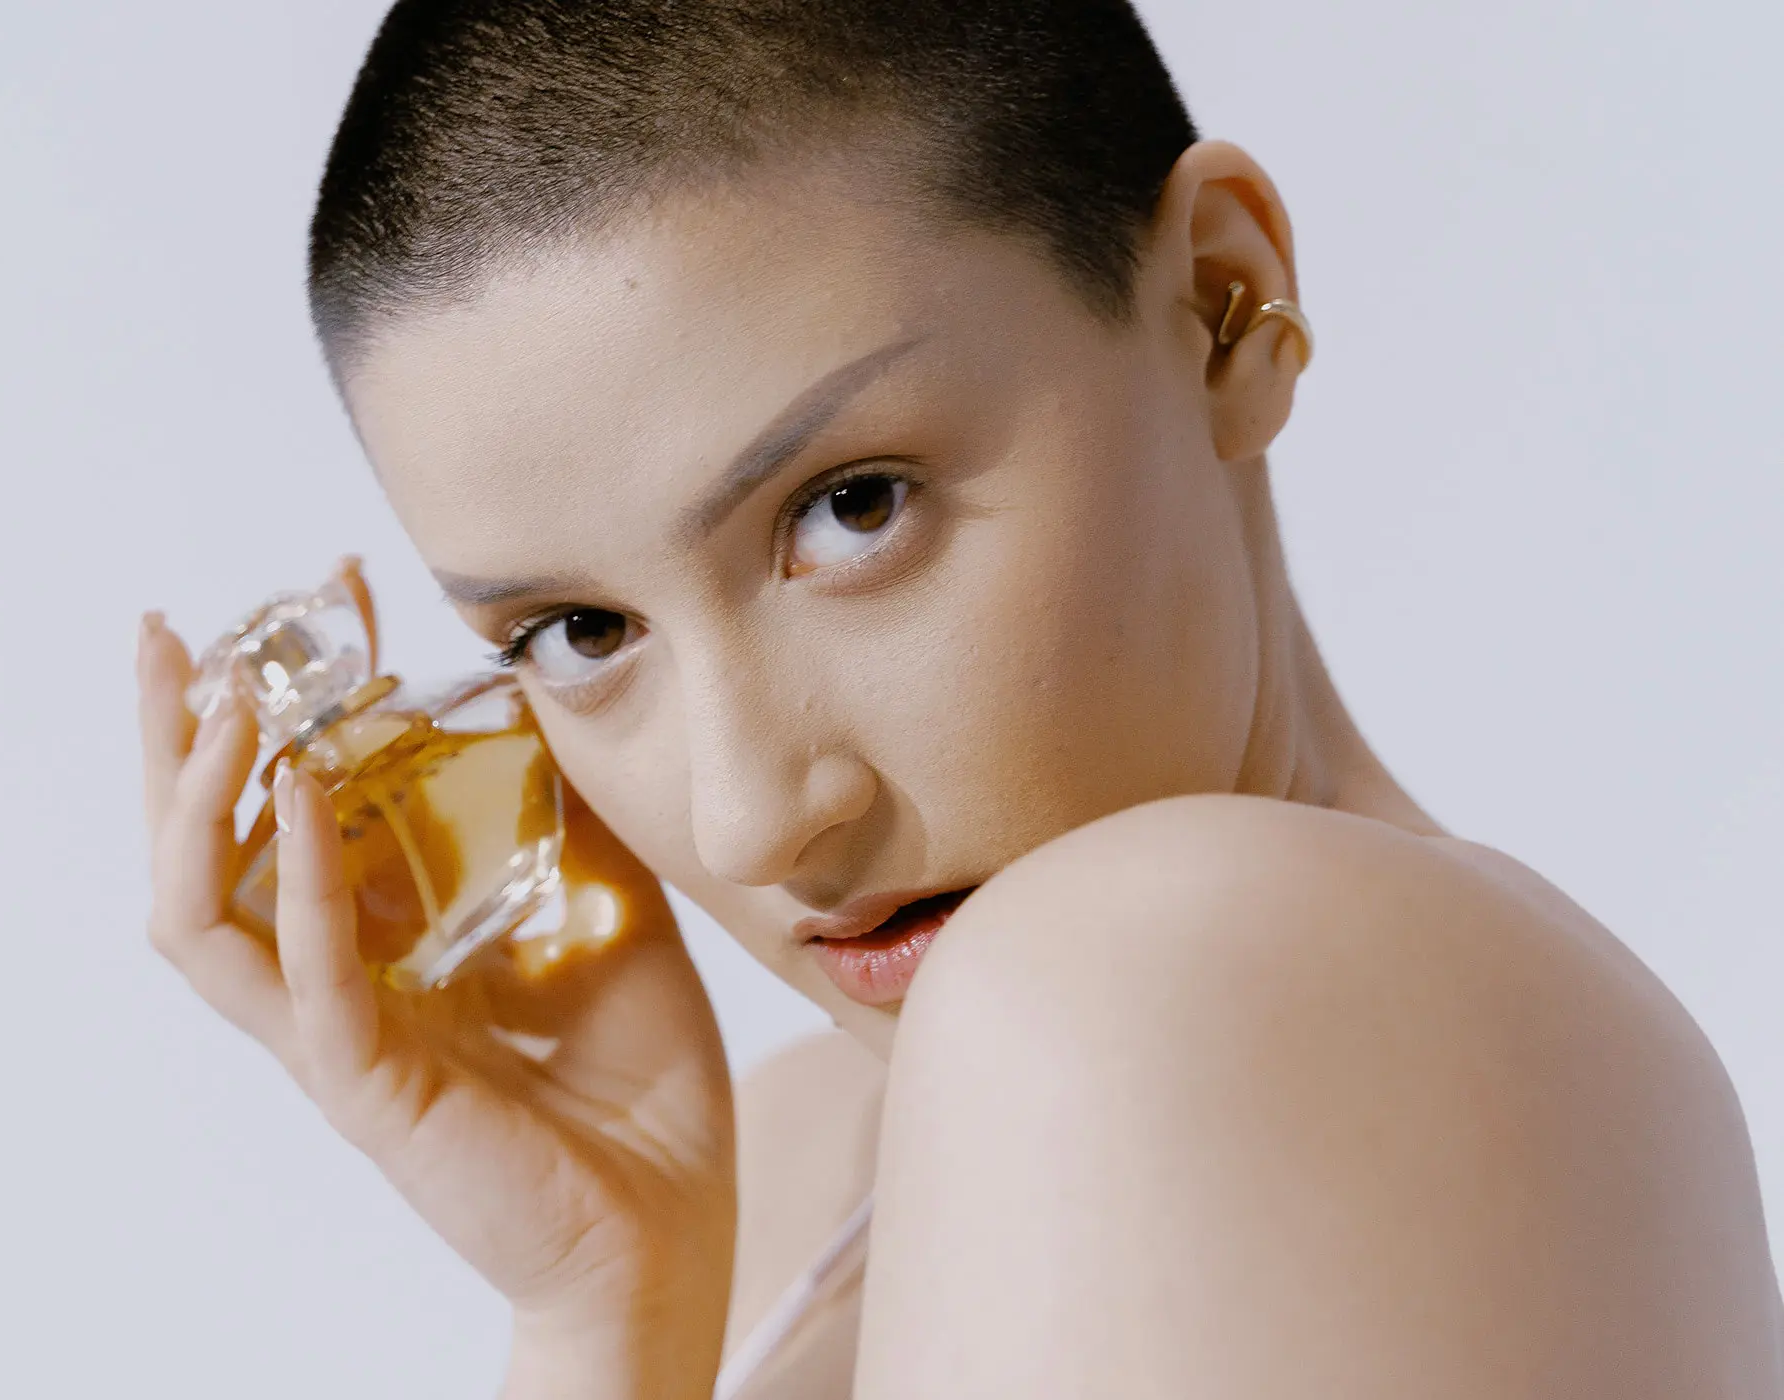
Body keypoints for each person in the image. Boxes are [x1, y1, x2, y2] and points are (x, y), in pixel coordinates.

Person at [135, 1, 1784, 1394]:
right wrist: (602, 1305)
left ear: (1222, 308)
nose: (752, 817)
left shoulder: (1141, 977)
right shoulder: (795, 1164)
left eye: (852, 508)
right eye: (579, 632)